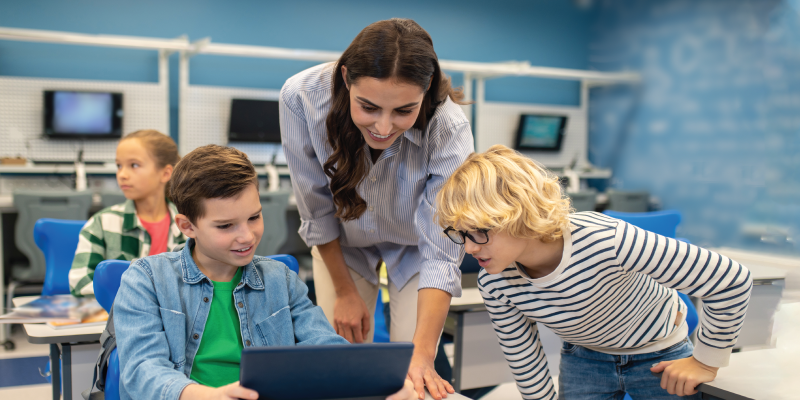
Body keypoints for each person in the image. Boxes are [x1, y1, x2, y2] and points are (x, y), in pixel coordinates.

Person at [434, 145, 753, 400]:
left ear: (518, 214)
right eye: (460, 235)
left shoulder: (605, 239)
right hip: (584, 358)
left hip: (660, 350)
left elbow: (731, 280)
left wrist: (705, 361)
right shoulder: (495, 281)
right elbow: (524, 357)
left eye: (477, 232)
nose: (469, 249)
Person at [114, 144, 416, 400]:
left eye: (254, 217)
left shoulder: (280, 278)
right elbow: (142, 369)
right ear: (187, 226)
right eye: (225, 226)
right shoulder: (146, 279)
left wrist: (379, 381)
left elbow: (325, 350)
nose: (246, 236)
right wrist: (208, 395)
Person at [280, 18, 473, 399]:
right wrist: (344, 292)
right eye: (368, 107)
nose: (383, 127)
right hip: (344, 244)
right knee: (344, 364)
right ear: (347, 77)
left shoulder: (449, 127)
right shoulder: (300, 98)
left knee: (413, 371)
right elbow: (316, 209)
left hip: (416, 246)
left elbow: (442, 248)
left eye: (404, 111)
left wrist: (421, 357)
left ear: (427, 90)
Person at [69, 129, 185, 296]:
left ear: (165, 173)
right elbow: (80, 283)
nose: (122, 174)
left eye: (134, 165)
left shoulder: (189, 228)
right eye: (119, 166)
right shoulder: (101, 224)